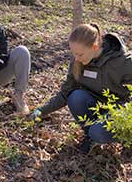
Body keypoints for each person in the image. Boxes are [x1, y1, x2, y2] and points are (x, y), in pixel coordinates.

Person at [31, 23, 132, 153]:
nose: (76, 59)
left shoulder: (124, 62)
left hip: (120, 110)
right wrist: (41, 111)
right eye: (74, 54)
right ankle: (90, 135)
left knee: (97, 132)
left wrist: (125, 119)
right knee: (75, 97)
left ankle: (121, 137)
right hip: (98, 105)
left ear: (95, 47)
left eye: (80, 54)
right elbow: (65, 94)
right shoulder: (78, 61)